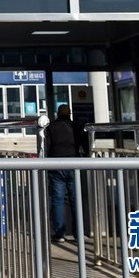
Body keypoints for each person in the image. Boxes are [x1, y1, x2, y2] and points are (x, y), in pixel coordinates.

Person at [44, 103, 87, 243]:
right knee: (75, 199)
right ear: (69, 114)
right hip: (74, 165)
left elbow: (46, 147)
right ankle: (78, 233)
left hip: (56, 166)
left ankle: (59, 233)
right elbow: (84, 144)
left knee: (57, 200)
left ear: (57, 114)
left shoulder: (51, 127)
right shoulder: (76, 127)